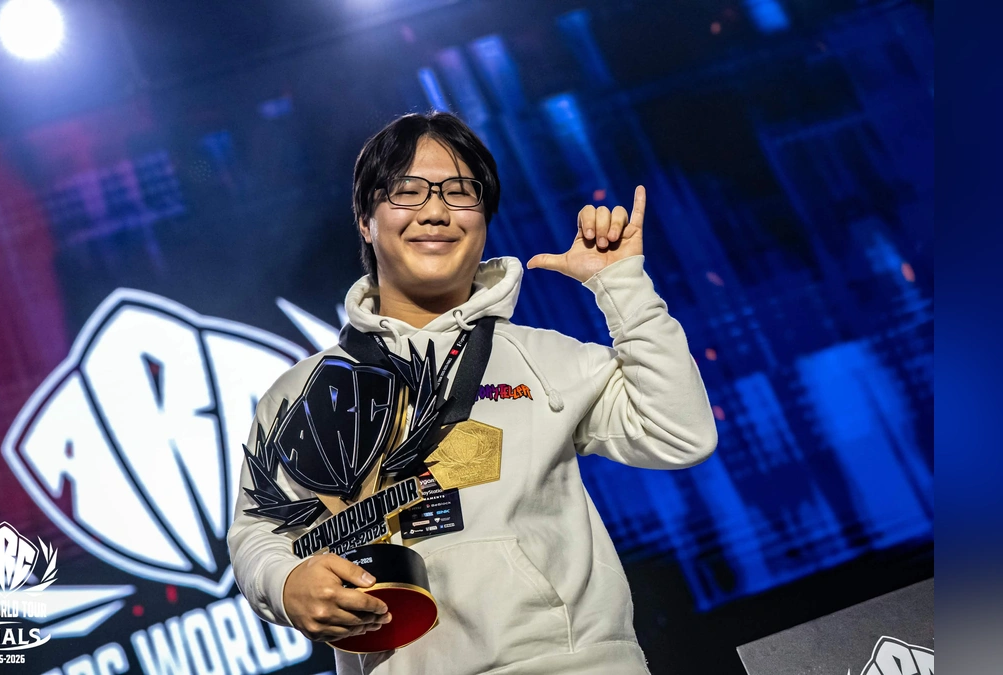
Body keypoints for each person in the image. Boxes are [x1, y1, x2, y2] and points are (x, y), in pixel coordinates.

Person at [227, 111, 717, 675]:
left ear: (484, 219)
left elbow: (680, 434)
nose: (435, 211)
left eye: (460, 192)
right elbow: (258, 531)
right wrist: (286, 583)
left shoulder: (544, 358)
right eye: (407, 191)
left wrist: (623, 284)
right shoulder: (301, 395)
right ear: (365, 220)